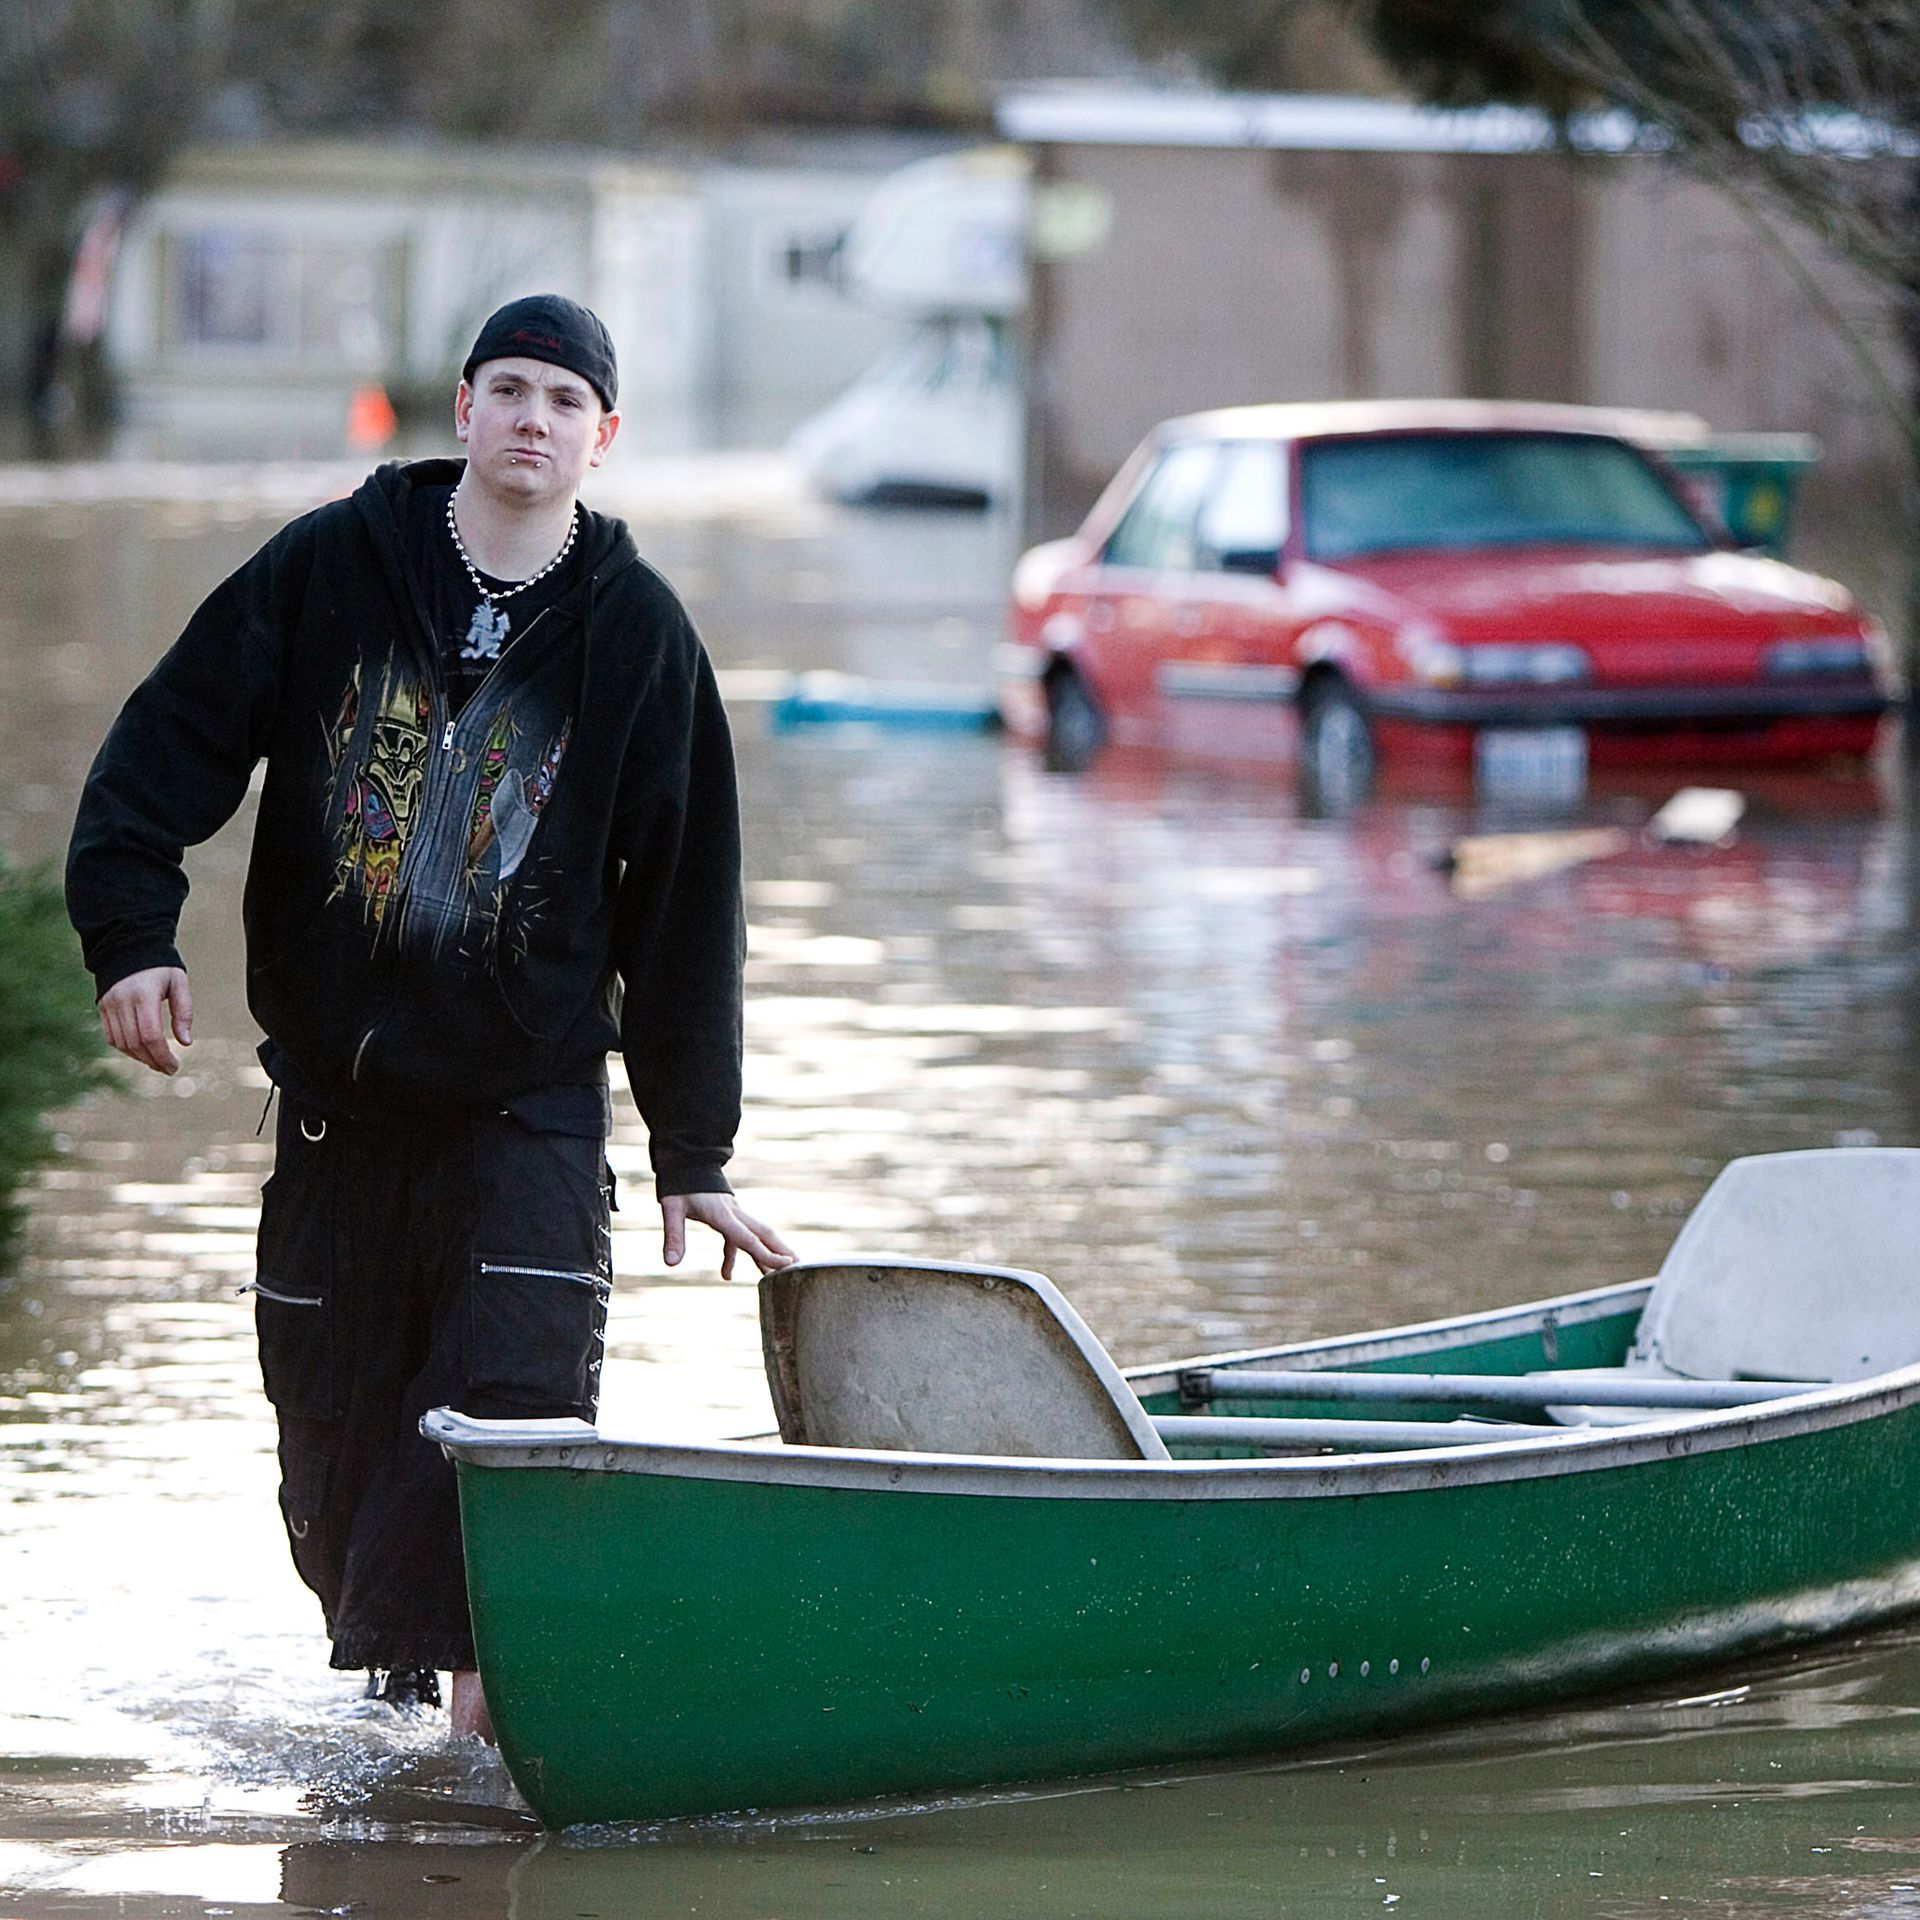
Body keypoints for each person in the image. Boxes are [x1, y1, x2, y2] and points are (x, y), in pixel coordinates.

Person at [66, 293, 794, 1739]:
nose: (534, 418)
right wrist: (131, 938)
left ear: (603, 437)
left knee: (507, 1432)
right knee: (336, 1474)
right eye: (509, 389)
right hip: (342, 1110)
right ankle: (395, 1780)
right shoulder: (332, 568)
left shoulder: (640, 638)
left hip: (524, 1106)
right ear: (460, 409)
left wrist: (691, 1149)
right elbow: (164, 748)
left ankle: (483, 1784)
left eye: (565, 400)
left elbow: (687, 909)